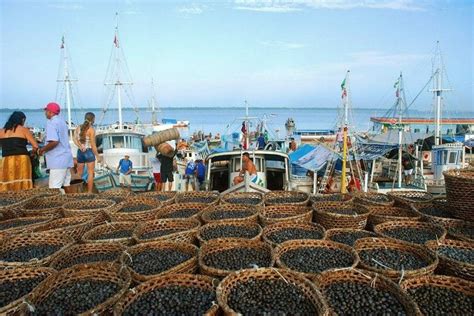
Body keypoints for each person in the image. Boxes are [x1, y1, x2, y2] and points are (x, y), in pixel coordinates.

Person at [38, 103, 74, 192]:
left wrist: (42, 149)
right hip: (66, 158)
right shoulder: (62, 122)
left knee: (54, 188)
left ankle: (59, 205)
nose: (45, 113)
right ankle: (70, 203)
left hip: (57, 160)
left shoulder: (51, 123)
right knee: (66, 185)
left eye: (46, 111)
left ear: (50, 112)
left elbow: (54, 141)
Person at [0, 111, 39, 191]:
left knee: (7, 181)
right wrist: (33, 152)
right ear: (22, 120)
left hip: (6, 160)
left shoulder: (1, 131)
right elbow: (35, 146)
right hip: (22, 159)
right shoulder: (24, 130)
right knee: (23, 182)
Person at [72, 112, 100, 193]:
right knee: (90, 173)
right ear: (93, 119)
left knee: (79, 173)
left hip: (80, 152)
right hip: (89, 152)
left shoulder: (78, 128)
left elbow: (74, 139)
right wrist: (98, 157)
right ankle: (89, 192)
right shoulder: (91, 130)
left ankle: (78, 192)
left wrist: (80, 146)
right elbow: (93, 145)